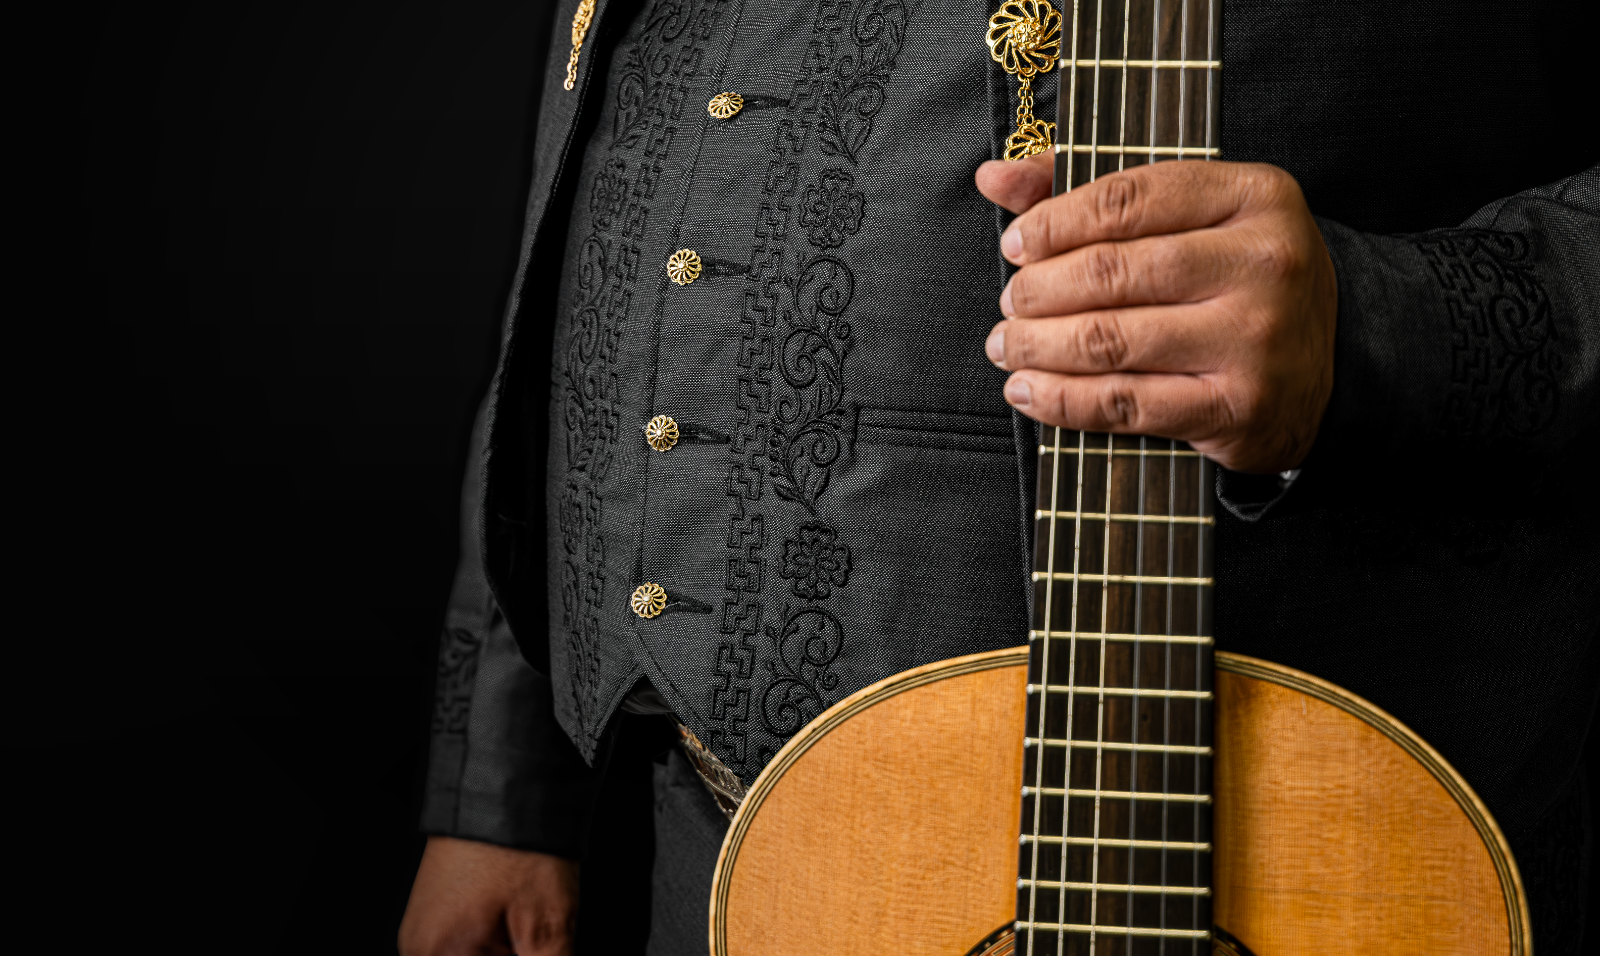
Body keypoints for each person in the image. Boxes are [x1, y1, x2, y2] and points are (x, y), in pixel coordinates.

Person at [399, 1, 1599, 953]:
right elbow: (589, 212)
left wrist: (1379, 325)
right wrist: (505, 785)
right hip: (710, 866)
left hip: (1285, 877)